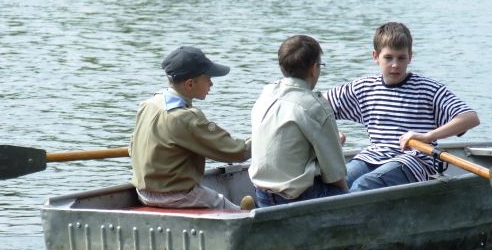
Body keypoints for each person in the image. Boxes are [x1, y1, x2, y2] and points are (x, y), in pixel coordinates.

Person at [326, 22, 480, 192]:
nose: (395, 65)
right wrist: (332, 133)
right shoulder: (363, 87)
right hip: (373, 156)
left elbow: (470, 118)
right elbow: (314, 108)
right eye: (388, 57)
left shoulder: (428, 89)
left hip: (415, 161)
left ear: (410, 57)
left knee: (365, 185)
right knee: (337, 182)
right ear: (375, 56)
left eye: (401, 58)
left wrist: (428, 136)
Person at [129, 46, 252, 210]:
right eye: (207, 78)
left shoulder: (148, 105)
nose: (211, 83)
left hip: (143, 194)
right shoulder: (186, 117)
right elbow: (237, 152)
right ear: (189, 84)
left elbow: (132, 148)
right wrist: (264, 136)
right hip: (178, 196)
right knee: (241, 214)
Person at [249, 35, 348, 207]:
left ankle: (256, 210)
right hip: (298, 198)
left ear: (282, 67)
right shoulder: (314, 106)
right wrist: (349, 200)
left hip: (262, 193)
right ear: (314, 68)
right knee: (346, 190)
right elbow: (335, 174)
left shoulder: (265, 94)